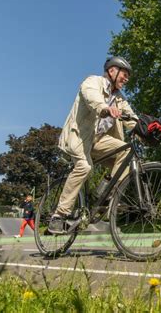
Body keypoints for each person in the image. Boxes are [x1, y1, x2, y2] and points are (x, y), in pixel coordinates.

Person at [49, 56, 138, 234]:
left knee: (127, 151)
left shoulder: (119, 98)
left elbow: (131, 118)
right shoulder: (92, 82)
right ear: (112, 71)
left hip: (99, 141)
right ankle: (58, 216)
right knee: (84, 166)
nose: (126, 79)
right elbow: (92, 98)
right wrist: (105, 108)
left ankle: (104, 194)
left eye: (128, 76)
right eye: (124, 74)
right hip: (80, 137)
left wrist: (146, 129)